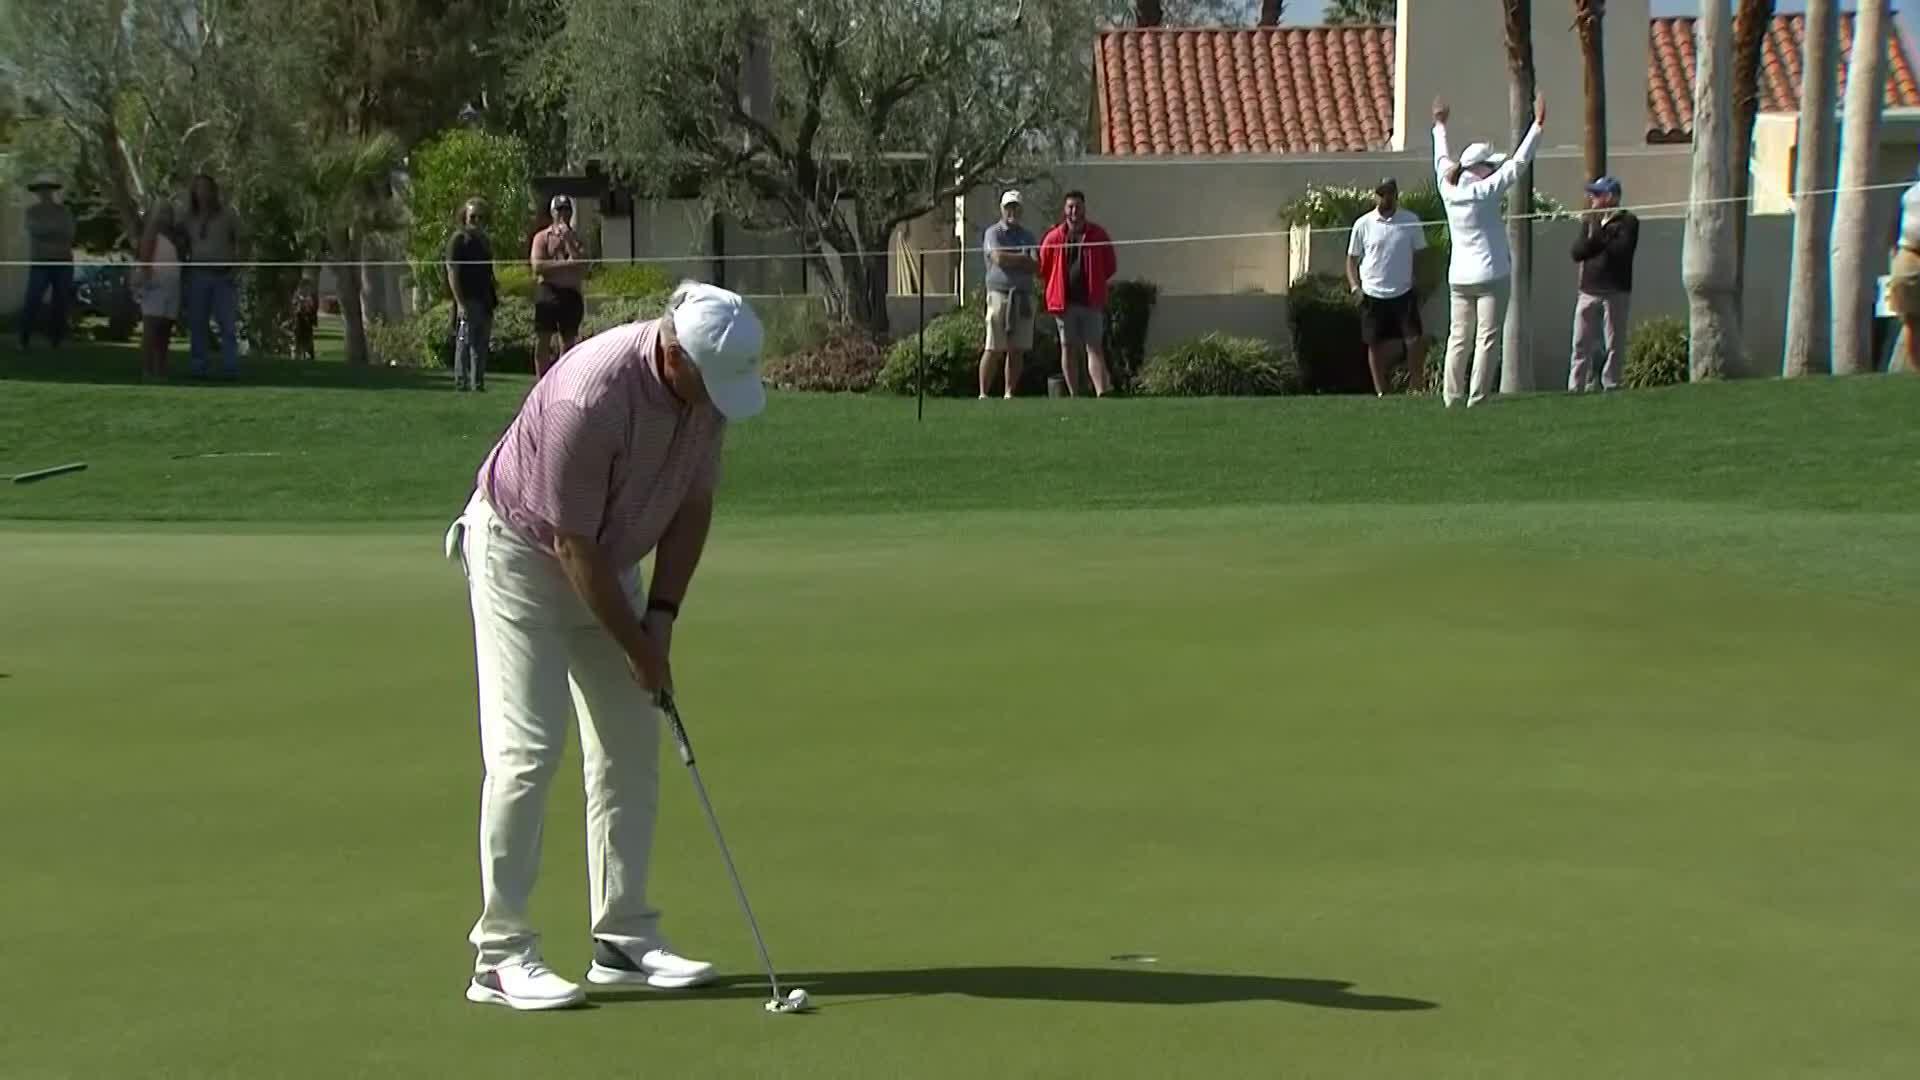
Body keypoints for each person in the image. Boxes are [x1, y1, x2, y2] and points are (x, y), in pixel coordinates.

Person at [443, 281, 768, 1013]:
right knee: (527, 752)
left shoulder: (706, 397)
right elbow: (571, 546)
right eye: (709, 383)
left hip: (606, 549)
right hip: (522, 555)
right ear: (673, 352)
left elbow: (692, 507)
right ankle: (500, 955)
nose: (718, 402)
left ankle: (623, 937)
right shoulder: (587, 398)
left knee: (627, 741)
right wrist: (636, 642)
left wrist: (663, 618)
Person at [1432, 94, 1545, 408]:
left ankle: (1451, 395)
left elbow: (1440, 158)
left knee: (1458, 337)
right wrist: (1536, 126)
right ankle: (1477, 397)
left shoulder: (1448, 187)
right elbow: (1518, 165)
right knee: (1487, 337)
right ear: (1480, 168)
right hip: (1492, 273)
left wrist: (1439, 125)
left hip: (1459, 276)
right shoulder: (1484, 190)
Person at [1346, 178, 1429, 396]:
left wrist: (1419, 281)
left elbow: (1420, 255)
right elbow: (1352, 260)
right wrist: (1355, 287)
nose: (1386, 198)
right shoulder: (1363, 224)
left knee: (1414, 340)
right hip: (1373, 293)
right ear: (1376, 196)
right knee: (1375, 344)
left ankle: (1416, 387)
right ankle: (1382, 391)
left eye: (1390, 193)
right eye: (1382, 194)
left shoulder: (1410, 220)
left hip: (1403, 291)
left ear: (1396, 195)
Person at [1036, 190, 1118, 397]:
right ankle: (1074, 394)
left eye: (1078, 207)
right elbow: (1043, 266)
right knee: (1068, 348)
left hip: (1091, 302)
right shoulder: (1053, 237)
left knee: (1094, 347)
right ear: (1065, 210)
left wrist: (1096, 281)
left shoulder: (1098, 235)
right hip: (1064, 304)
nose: (1074, 211)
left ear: (1084, 208)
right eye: (1070, 207)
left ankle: (1101, 392)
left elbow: (1110, 266)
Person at [1567, 176, 1640, 393]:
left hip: (1615, 289)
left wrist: (1598, 234)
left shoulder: (1628, 222)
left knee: (1614, 342)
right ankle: (1576, 385)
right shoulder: (1589, 222)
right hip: (1588, 290)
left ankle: (1611, 383)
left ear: (1610, 197)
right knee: (1580, 341)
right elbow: (1578, 252)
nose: (1591, 198)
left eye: (1596, 194)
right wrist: (1595, 228)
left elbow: (1620, 251)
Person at [183, 173, 245, 379]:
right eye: (198, 188)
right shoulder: (188, 217)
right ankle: (198, 367)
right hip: (198, 276)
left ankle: (230, 368)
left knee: (227, 325)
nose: (202, 193)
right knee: (198, 324)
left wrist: (237, 268)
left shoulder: (228, 215)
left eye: (206, 188)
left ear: (213, 191)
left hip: (223, 277)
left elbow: (244, 241)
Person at [980, 190, 1039, 399]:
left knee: (1017, 349)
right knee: (994, 347)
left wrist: (1016, 259)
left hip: (1023, 296)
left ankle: (1009, 392)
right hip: (998, 294)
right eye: (1008, 207)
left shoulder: (1028, 236)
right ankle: (983, 393)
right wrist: (1021, 258)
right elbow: (997, 258)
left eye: (1015, 207)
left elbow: (1035, 265)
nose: (1012, 211)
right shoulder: (993, 233)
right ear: (1002, 209)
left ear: (1021, 210)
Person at [531, 195, 587, 378]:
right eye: (559, 210)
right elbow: (538, 267)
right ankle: (542, 382)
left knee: (568, 341)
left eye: (567, 210)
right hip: (548, 291)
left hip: (571, 294)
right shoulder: (541, 237)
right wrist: (568, 265)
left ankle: (562, 380)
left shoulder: (578, 238)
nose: (563, 214)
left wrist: (569, 240)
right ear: (552, 213)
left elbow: (582, 266)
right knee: (543, 339)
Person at [19, 173, 76, 352]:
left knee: (61, 301)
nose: (45, 193)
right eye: (41, 190)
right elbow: (35, 230)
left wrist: (48, 233)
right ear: (38, 193)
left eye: (48, 189)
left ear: (52, 191)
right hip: (40, 262)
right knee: (32, 299)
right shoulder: (32, 211)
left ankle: (56, 341)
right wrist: (54, 232)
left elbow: (69, 233)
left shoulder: (64, 211)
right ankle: (24, 339)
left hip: (63, 262)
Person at [448, 198, 499, 392]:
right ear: (464, 217)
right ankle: (461, 382)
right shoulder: (458, 240)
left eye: (480, 217)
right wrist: (460, 303)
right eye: (473, 217)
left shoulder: (484, 241)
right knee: (465, 341)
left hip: (485, 299)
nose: (476, 221)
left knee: (481, 344)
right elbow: (452, 272)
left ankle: (477, 383)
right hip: (467, 298)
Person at [130, 198, 183, 381]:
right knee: (151, 329)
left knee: (165, 331)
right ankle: (147, 370)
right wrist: (145, 283)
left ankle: (161, 370)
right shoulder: (151, 233)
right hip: (155, 284)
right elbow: (145, 260)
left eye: (167, 212)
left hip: (172, 285)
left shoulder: (175, 235)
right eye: (160, 212)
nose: (164, 216)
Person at [1885, 166, 1920, 374]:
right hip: (1910, 254)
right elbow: (1894, 224)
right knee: (1912, 319)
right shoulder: (1909, 184)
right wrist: (1893, 254)